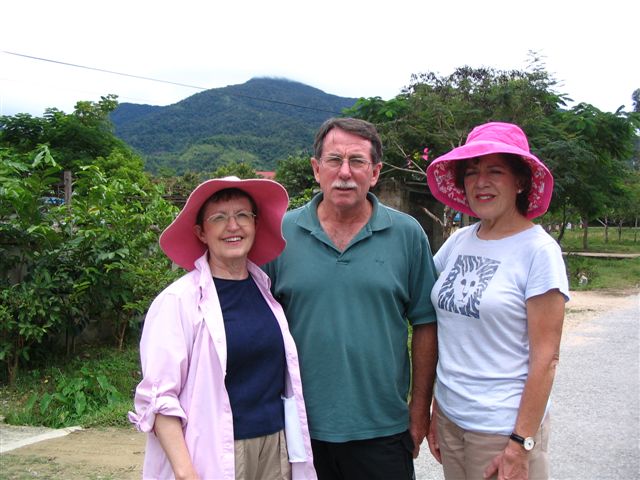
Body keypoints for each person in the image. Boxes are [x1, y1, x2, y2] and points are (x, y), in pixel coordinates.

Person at [264, 118, 438, 480]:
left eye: (357, 161)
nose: (345, 173)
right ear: (316, 169)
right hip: (298, 429)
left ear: (374, 172)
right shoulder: (280, 235)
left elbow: (426, 323)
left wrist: (420, 410)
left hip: (384, 429)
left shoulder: (407, 235)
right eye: (334, 160)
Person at [128, 176, 317, 480]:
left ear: (255, 224)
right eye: (219, 218)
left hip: (275, 447)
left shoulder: (265, 291)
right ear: (201, 232)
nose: (233, 226)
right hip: (215, 452)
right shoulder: (178, 301)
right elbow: (159, 397)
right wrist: (185, 472)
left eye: (242, 215)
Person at [425, 122, 570, 480]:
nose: (480, 182)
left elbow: (546, 358)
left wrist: (521, 443)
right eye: (472, 172)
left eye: (495, 171)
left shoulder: (538, 251)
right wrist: (435, 413)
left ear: (520, 181)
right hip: (451, 418)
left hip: (501, 429)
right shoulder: (459, 241)